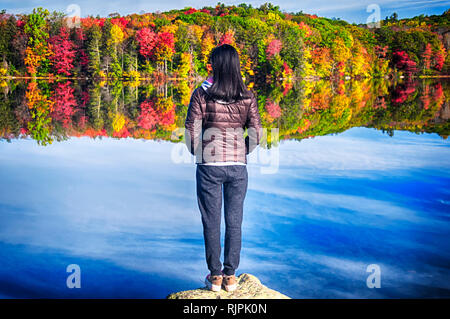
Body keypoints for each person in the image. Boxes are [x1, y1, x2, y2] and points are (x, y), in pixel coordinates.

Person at [185, 44, 263, 292]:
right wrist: (243, 151)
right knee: (234, 220)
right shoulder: (248, 96)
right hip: (237, 167)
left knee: (211, 220)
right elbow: (257, 133)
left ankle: (215, 276)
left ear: (216, 65)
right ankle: (231, 276)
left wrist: (199, 152)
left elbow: (190, 132)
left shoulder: (201, 94)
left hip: (209, 165)